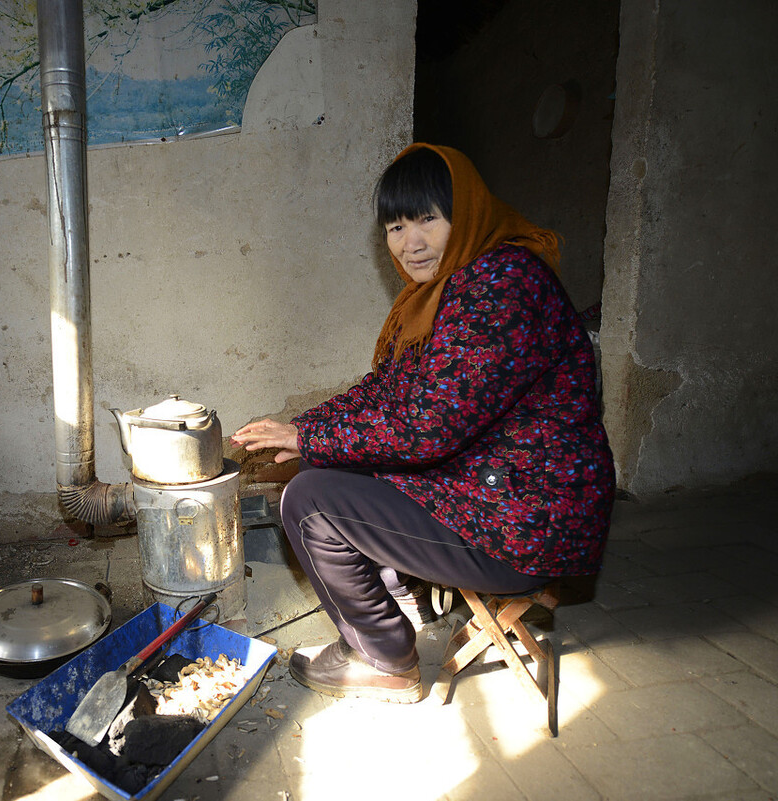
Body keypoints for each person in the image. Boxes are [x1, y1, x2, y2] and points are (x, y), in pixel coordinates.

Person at [230, 143, 614, 703]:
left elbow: (429, 426)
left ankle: (381, 658)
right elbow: (387, 393)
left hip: (528, 519)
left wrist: (309, 438)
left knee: (308, 501)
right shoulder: (448, 291)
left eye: (427, 219)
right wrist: (302, 428)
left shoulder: (503, 284)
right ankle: (399, 603)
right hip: (498, 489)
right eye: (395, 227)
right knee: (328, 460)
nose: (410, 243)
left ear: (467, 213)